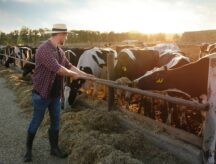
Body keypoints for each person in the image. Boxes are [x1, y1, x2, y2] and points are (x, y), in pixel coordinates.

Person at [23, 24, 94, 162]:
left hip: (55, 95)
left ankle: (54, 149)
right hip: (41, 94)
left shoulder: (59, 50)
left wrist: (85, 75)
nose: (66, 37)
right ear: (60, 34)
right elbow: (59, 69)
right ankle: (28, 151)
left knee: (55, 123)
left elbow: (69, 65)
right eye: (65, 35)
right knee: (36, 121)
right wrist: (75, 75)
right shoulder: (44, 50)